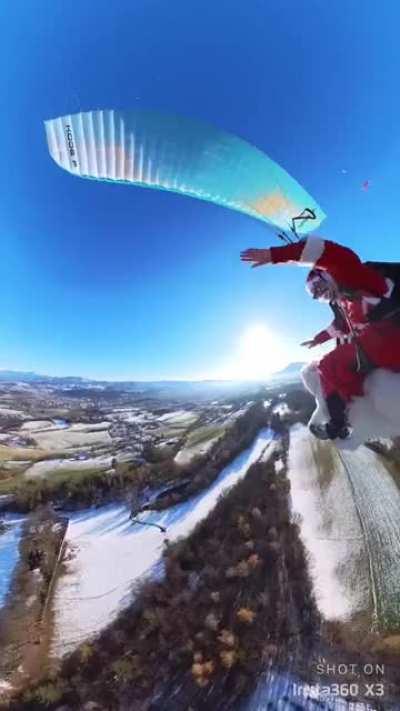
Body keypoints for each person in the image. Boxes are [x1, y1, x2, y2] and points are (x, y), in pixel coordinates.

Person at [241, 235, 400, 440]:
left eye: (317, 287)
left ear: (327, 275)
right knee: (336, 369)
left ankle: (342, 421)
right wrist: (319, 339)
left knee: (328, 365)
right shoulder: (346, 302)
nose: (318, 295)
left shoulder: (354, 275)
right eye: (314, 295)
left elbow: (327, 252)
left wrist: (275, 255)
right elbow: (341, 326)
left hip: (390, 337)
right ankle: (355, 413)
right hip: (381, 345)